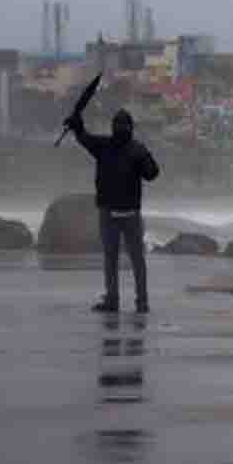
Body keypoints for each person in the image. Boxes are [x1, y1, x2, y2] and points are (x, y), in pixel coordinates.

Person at [64, 108, 160, 314]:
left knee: (112, 259)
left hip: (111, 213)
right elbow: (152, 174)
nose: (120, 128)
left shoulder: (105, 146)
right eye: (120, 125)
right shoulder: (132, 148)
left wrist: (76, 124)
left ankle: (113, 300)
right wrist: (77, 125)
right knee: (136, 260)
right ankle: (140, 302)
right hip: (127, 213)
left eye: (121, 125)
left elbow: (84, 138)